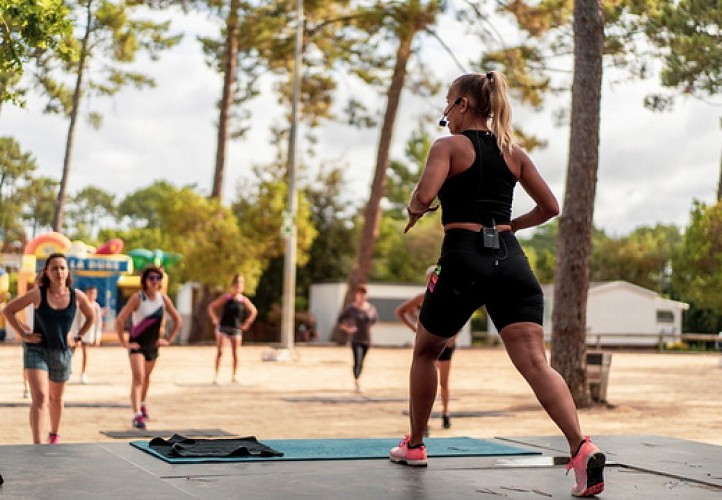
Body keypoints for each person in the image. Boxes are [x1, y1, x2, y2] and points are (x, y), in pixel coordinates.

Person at [389, 71, 605, 497]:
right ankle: (581, 447)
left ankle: (414, 444)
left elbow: (425, 194)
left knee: (427, 350)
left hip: (464, 258)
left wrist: (415, 208)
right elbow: (550, 207)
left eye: (448, 104)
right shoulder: (513, 153)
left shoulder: (448, 146)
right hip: (512, 264)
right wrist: (511, 227)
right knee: (536, 363)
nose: (445, 114)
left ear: (463, 106)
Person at [2, 253, 95, 444]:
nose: (59, 272)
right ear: (47, 272)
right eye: (54, 268)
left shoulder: (77, 296)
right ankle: (37, 444)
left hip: (62, 352)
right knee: (41, 397)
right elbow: (8, 310)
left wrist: (77, 337)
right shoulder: (38, 293)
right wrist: (24, 333)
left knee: (56, 399)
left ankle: (53, 435)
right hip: (36, 350)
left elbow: (91, 316)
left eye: (62, 268)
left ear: (68, 272)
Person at [116, 266, 181, 430]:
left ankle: (143, 403)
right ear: (145, 280)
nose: (154, 281)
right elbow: (120, 319)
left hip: (153, 345)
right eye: (151, 278)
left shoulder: (163, 299)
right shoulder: (138, 298)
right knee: (139, 377)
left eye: (158, 278)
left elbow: (177, 320)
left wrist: (168, 340)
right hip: (137, 344)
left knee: (146, 378)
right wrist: (124, 343)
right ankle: (136, 414)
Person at [396, 266, 456, 430]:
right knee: (425, 382)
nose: (434, 279)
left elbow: (459, 319)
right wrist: (415, 328)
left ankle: (445, 413)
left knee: (443, 382)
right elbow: (401, 311)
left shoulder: (450, 297)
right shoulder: (422, 298)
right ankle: (424, 422)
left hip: (445, 344)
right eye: (431, 277)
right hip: (427, 344)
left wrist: (453, 336)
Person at [207, 273, 258, 384]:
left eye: (240, 283)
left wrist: (247, 323)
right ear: (232, 285)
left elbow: (254, 311)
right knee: (220, 352)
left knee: (236, 353)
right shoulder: (227, 297)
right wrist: (214, 319)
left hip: (236, 329)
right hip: (223, 328)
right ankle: (216, 375)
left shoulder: (243, 300)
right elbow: (211, 307)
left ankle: (234, 376)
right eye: (236, 283)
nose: (238, 285)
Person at [336, 284, 378, 393]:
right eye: (359, 294)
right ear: (356, 295)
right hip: (356, 339)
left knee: (362, 361)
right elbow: (340, 320)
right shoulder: (351, 308)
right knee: (357, 360)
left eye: (363, 294)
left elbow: (374, 321)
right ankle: (357, 380)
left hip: (367, 339)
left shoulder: (371, 308)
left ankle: (358, 377)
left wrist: (371, 329)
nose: (361, 296)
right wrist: (348, 329)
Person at [71, 285, 104, 384]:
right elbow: (75, 320)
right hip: (78, 332)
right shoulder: (80, 304)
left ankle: (83, 373)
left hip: (89, 332)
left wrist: (97, 336)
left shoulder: (96, 306)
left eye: (94, 294)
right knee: (72, 350)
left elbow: (98, 322)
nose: (92, 296)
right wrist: (74, 333)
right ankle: (69, 366)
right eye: (90, 293)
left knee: (85, 352)